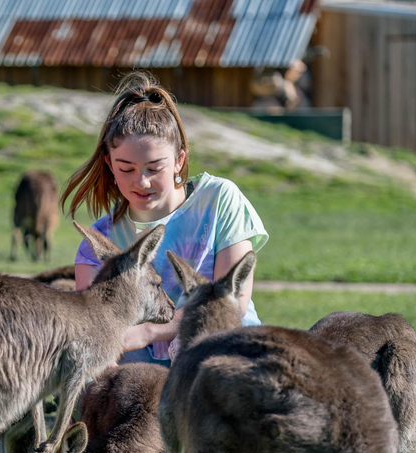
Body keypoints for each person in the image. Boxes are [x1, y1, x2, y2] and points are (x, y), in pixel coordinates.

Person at [61, 71, 269, 367]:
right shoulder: (98, 243)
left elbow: (232, 303)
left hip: (223, 355)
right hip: (143, 376)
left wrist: (149, 332)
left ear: (179, 160)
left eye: (154, 168)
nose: (141, 182)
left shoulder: (220, 199)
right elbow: (96, 329)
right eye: (126, 169)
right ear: (109, 164)